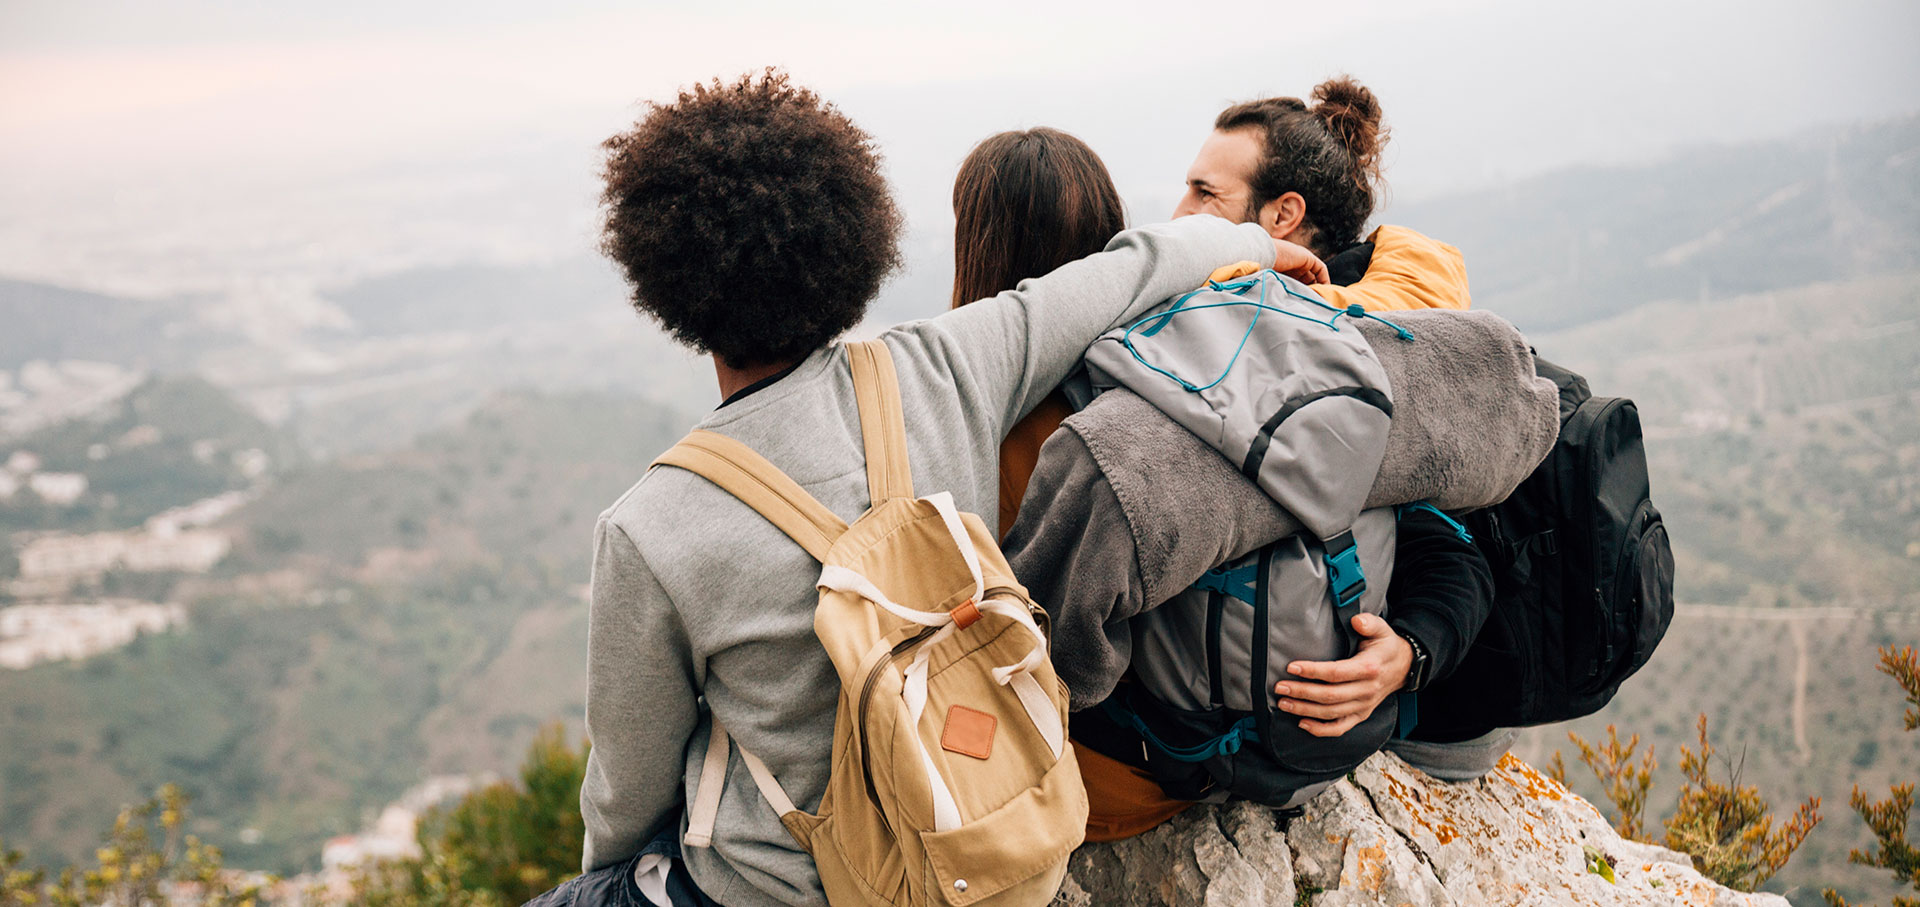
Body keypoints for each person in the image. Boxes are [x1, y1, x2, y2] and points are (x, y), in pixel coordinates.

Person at [560, 70, 1315, 907]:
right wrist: (1256, 247)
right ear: (847, 239)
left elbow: (627, 794)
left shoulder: (650, 527)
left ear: (668, 279)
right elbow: (1132, 270)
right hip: (982, 841)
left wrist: (605, 876)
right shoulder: (949, 366)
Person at [997, 76, 1509, 841]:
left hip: (1162, 756)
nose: (1180, 213)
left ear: (1282, 216)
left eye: (1205, 193)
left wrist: (1408, 653)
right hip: (1272, 743)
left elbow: (1451, 543)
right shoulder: (1379, 335)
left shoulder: (1336, 351)